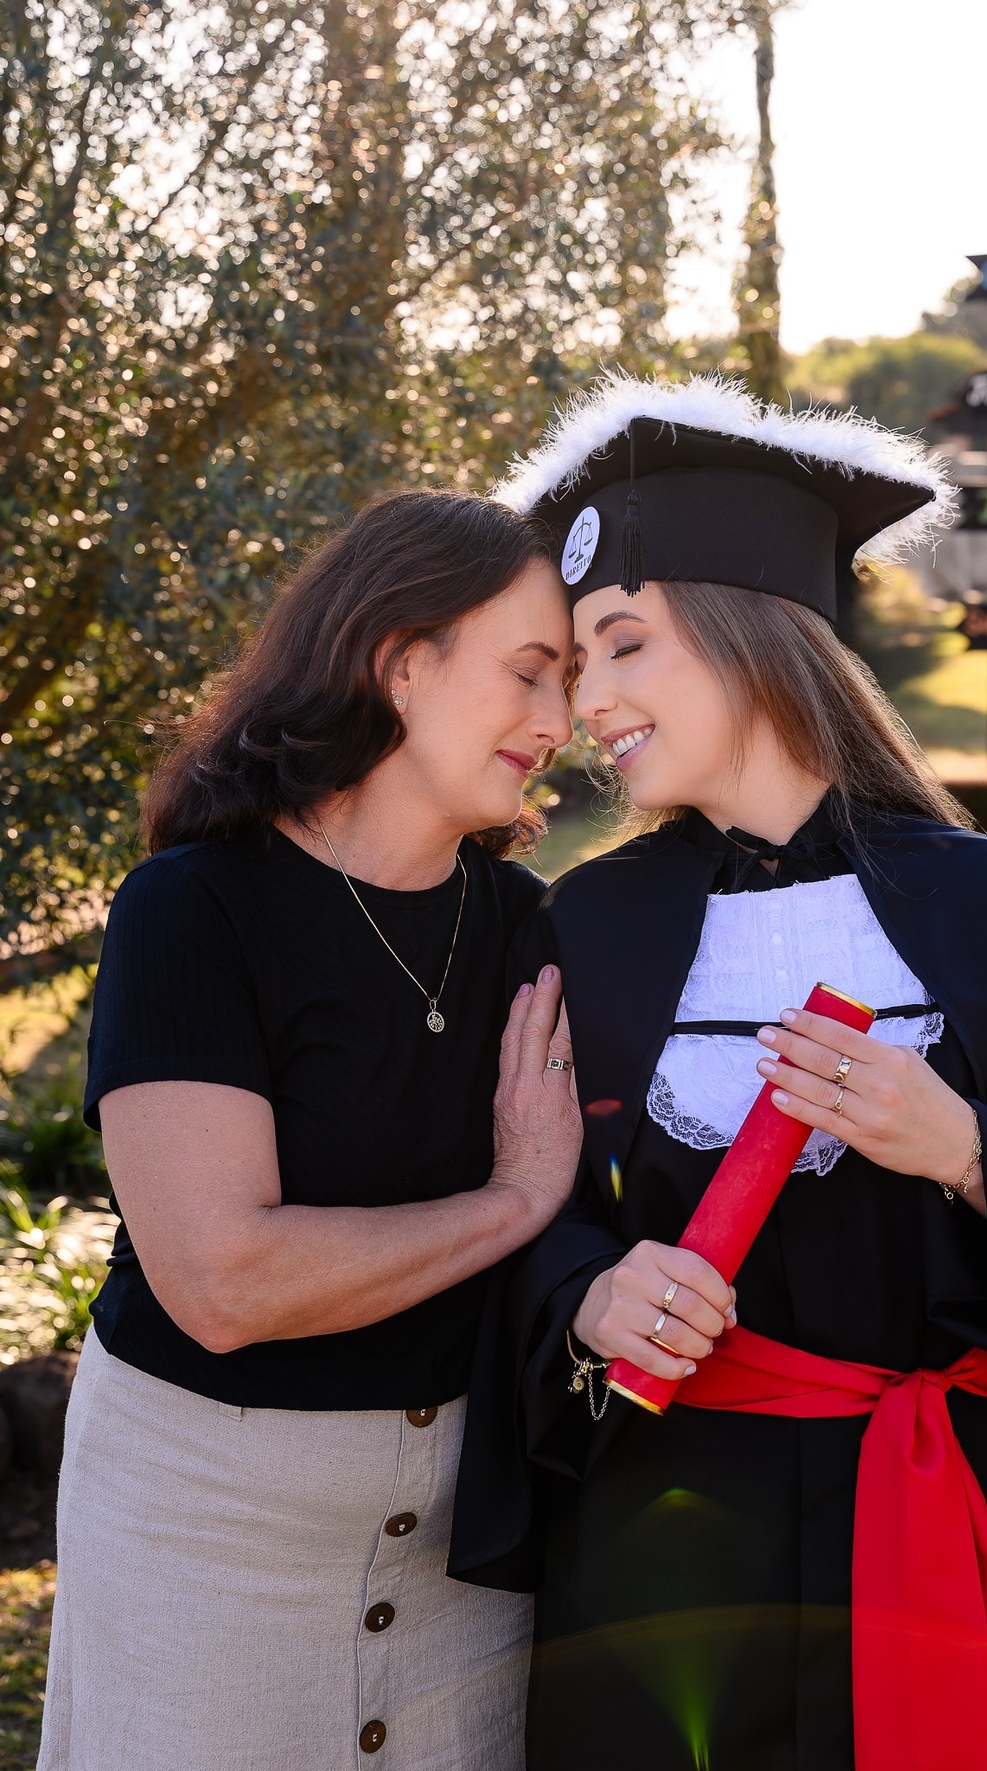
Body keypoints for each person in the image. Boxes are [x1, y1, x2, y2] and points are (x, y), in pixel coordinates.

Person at [449, 374, 987, 1771]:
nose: (590, 701)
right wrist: (589, 1293)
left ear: (754, 633)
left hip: (957, 1517)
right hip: (668, 1548)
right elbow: (513, 1200)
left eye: (623, 646)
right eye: (574, 662)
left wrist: (968, 1148)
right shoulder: (584, 925)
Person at [40, 488, 583, 1771]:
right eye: (528, 672)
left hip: (469, 1557)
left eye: (569, 683)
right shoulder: (194, 908)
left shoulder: (530, 925)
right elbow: (223, 1281)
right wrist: (512, 1202)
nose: (559, 723)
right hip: (204, 1540)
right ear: (401, 661)